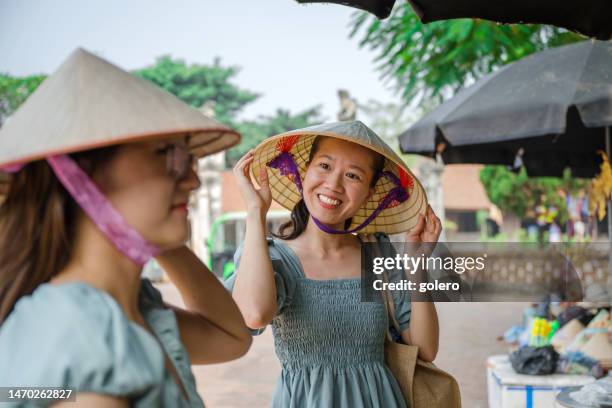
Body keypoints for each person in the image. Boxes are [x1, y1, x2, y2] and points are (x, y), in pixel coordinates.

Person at [0, 49, 251, 407]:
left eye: (190, 158)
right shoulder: (78, 330)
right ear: (81, 176)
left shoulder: (131, 307)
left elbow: (232, 337)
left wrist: (151, 225)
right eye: (170, 155)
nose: (193, 179)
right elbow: (251, 318)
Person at [226, 121, 441, 407]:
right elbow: (253, 315)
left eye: (353, 175)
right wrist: (255, 212)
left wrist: (416, 265)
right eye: (325, 166)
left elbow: (425, 349)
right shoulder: (271, 258)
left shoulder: (378, 255)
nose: (334, 184)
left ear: (369, 192)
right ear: (304, 172)